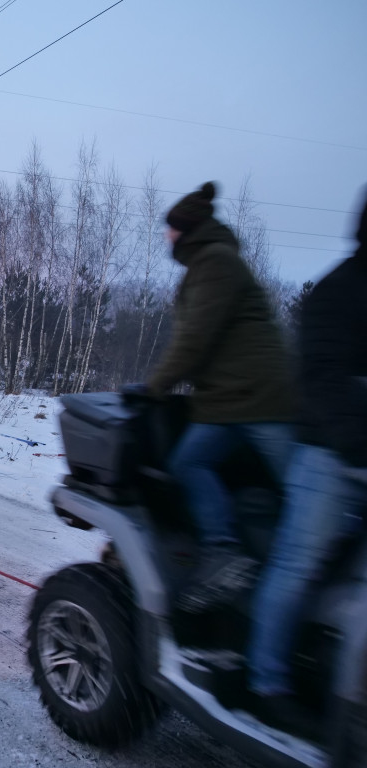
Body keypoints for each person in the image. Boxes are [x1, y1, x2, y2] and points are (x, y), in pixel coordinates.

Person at [245, 189, 367, 735]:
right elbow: (320, 378)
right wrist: (358, 449)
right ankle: (265, 679)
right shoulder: (339, 293)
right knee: (299, 562)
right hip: (330, 457)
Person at [144, 181, 295, 612]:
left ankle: (243, 558)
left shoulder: (215, 262)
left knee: (302, 496)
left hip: (258, 398)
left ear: (186, 230)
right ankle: (230, 550)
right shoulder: (211, 263)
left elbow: (195, 339)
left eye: (170, 229)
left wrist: (156, 387)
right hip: (231, 400)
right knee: (191, 462)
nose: (166, 237)